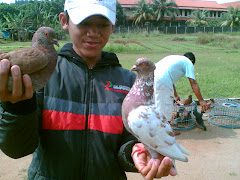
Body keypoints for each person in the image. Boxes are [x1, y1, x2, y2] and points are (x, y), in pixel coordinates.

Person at [0, 0, 177, 179]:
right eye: (84, 22)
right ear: (64, 21)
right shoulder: (42, 75)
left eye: (103, 24)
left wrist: (135, 152)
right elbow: (17, 148)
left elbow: (130, 139)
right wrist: (17, 107)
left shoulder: (130, 81)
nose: (93, 32)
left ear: (113, 25)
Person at [154, 52, 209, 125]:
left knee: (157, 104)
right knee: (165, 107)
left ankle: (157, 127)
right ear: (192, 61)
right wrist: (201, 100)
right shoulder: (188, 62)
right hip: (161, 81)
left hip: (153, 77)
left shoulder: (175, 59)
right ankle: (165, 131)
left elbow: (170, 79)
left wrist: (176, 96)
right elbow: (193, 83)